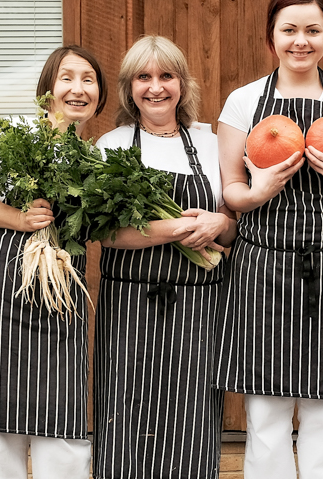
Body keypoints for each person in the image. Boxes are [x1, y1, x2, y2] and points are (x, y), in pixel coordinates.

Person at [212, 0, 323, 479]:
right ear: (272, 38)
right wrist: (259, 191)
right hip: (263, 263)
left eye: (313, 29)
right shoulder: (244, 102)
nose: (300, 41)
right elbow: (231, 192)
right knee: (264, 408)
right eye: (289, 30)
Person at [0, 45, 107, 479]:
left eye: (89, 80)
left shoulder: (94, 160)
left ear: (99, 95)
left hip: (56, 292)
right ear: (48, 87)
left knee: (63, 422)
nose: (78, 88)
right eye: (67, 77)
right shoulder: (11, 133)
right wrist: (20, 218)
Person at [92, 35, 236, 479]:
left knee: (192, 412)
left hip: (199, 304)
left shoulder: (210, 141)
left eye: (166, 76)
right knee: (124, 409)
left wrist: (218, 224)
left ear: (182, 84)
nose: (156, 87)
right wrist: (180, 227)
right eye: (143, 77)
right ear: (129, 87)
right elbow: (108, 233)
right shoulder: (111, 145)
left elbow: (234, 223)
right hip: (130, 305)